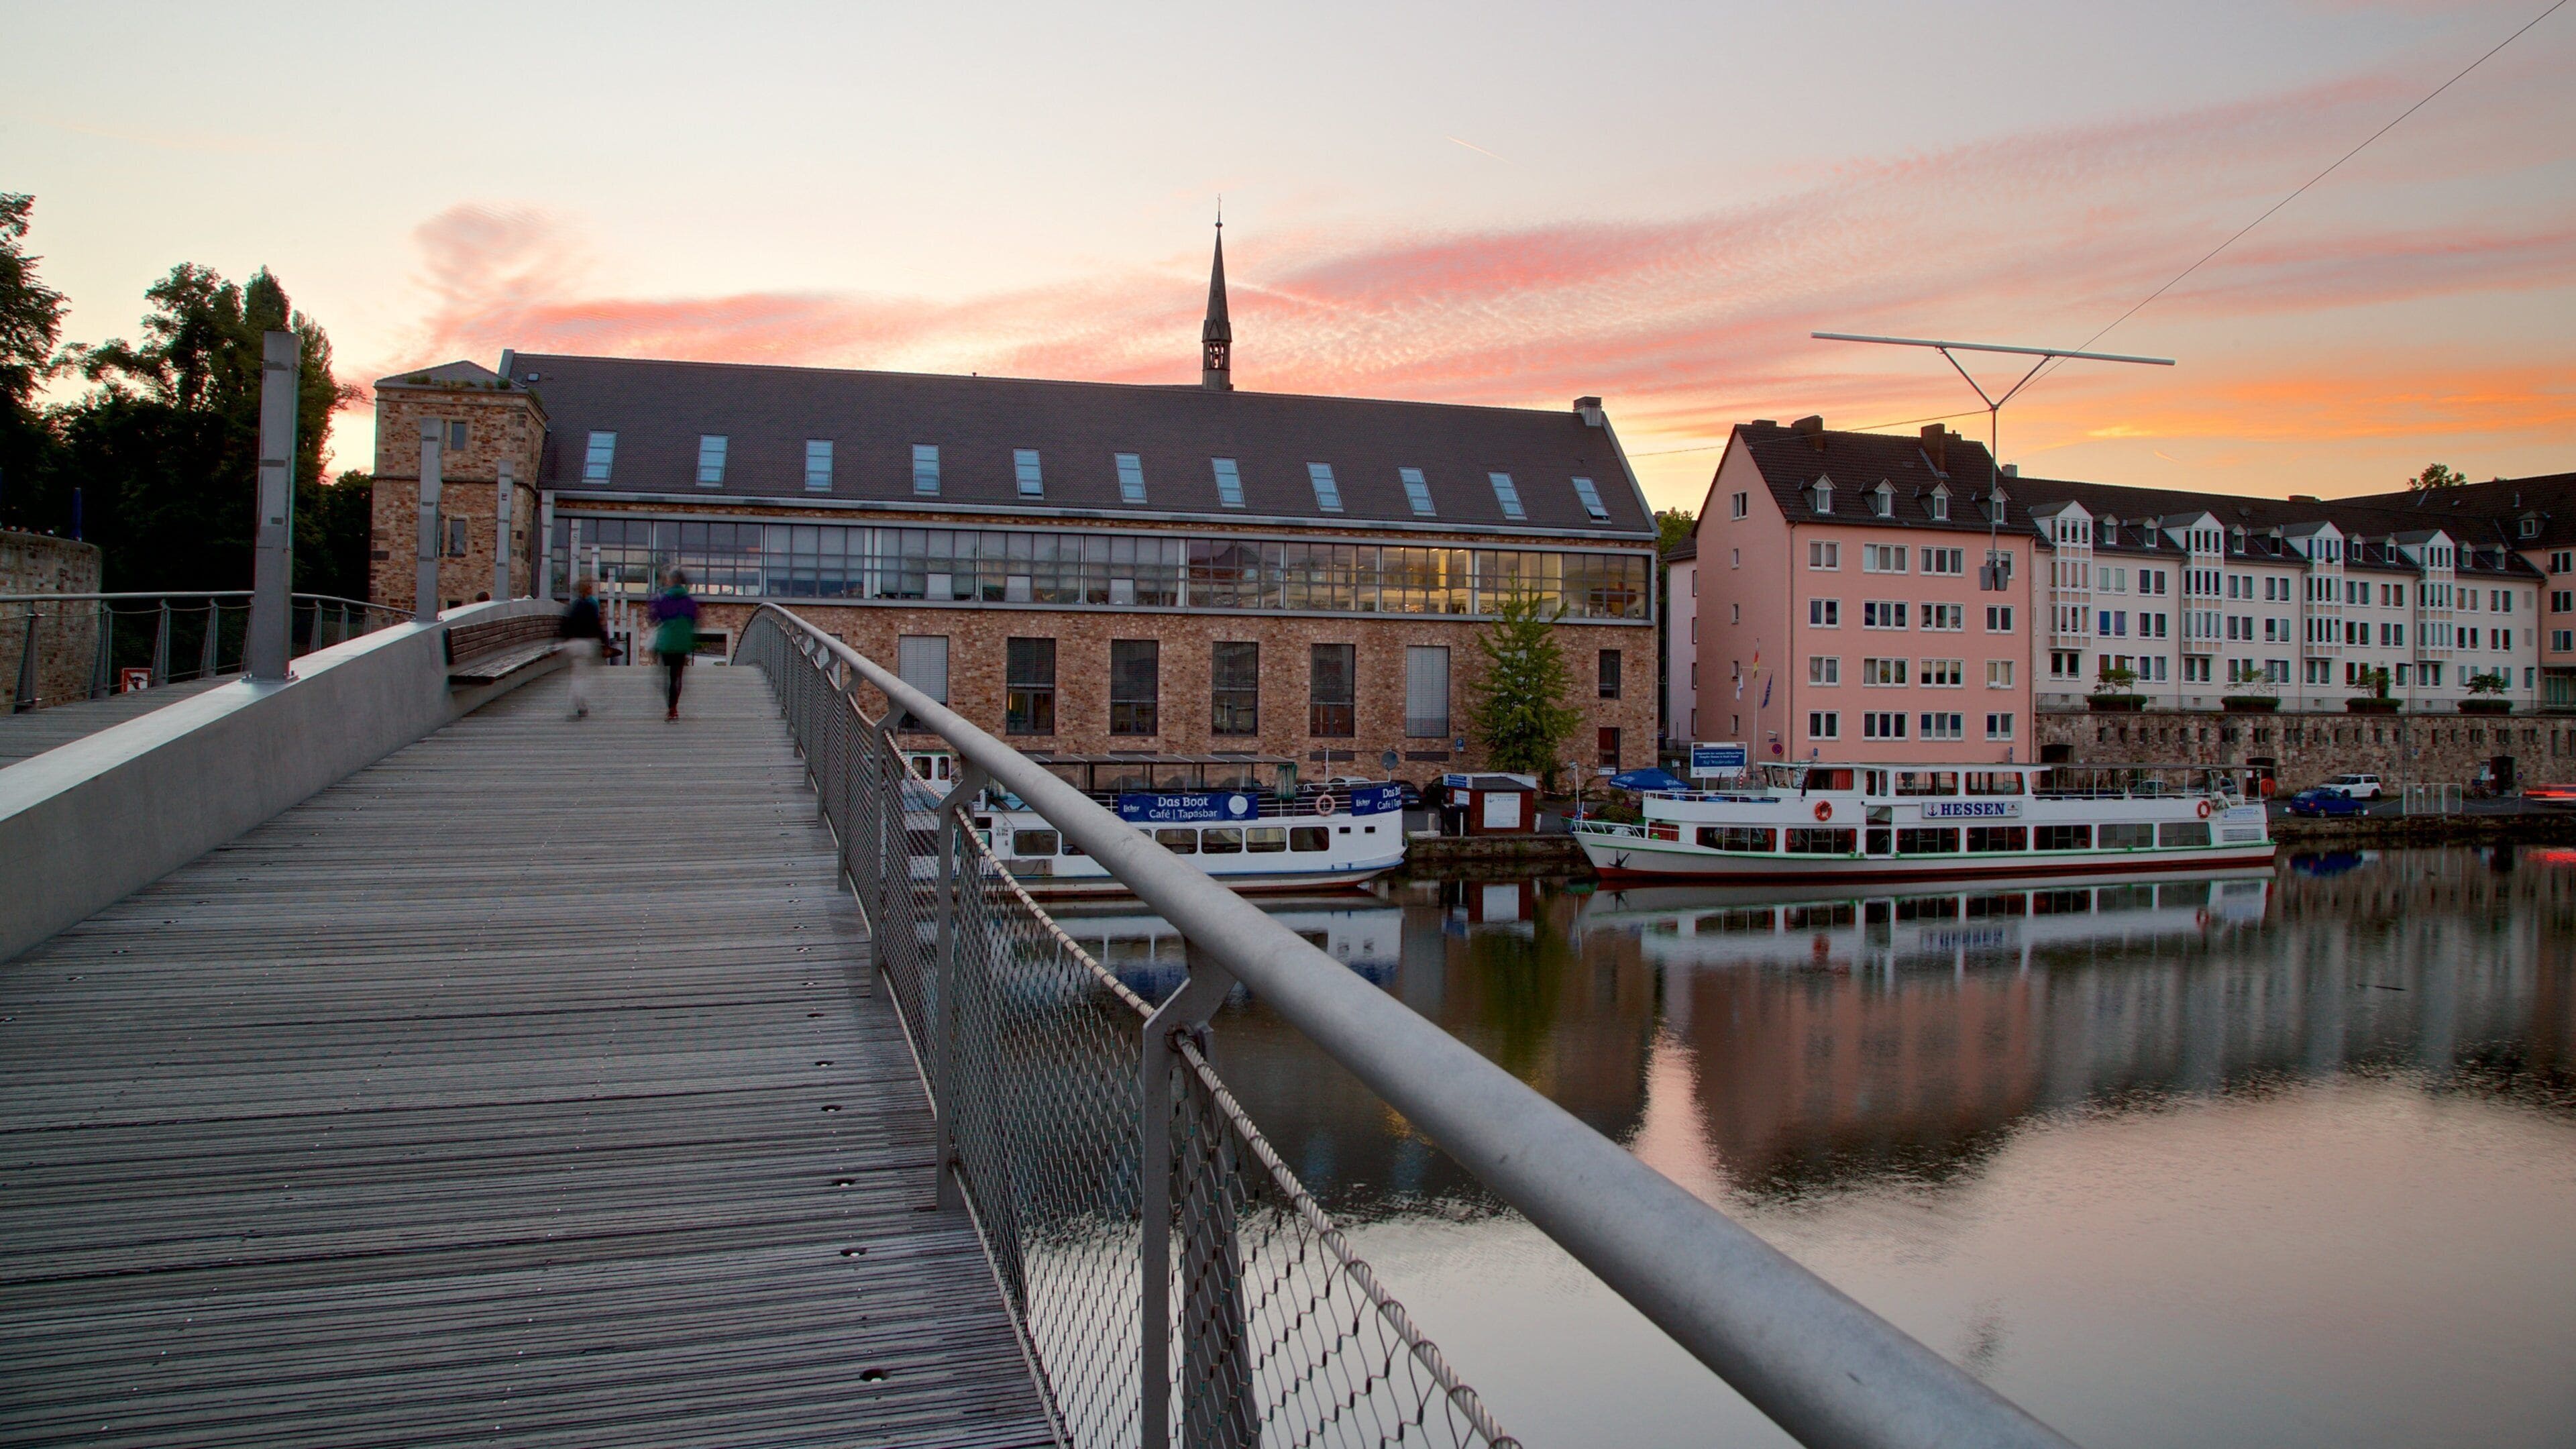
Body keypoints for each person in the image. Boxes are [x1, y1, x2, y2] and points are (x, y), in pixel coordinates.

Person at [647, 568, 699, 720]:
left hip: (666, 642)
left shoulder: (663, 599)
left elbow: (653, 618)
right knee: (677, 676)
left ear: (671, 581)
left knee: (666, 676)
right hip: (682, 642)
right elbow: (695, 621)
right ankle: (674, 708)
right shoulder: (689, 601)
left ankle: (669, 707)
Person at [558, 576, 606, 718]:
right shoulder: (591, 606)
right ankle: (579, 704)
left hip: (572, 644)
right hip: (585, 644)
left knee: (576, 675)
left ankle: (575, 703)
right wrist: (604, 642)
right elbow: (597, 626)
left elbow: (564, 626)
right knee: (582, 676)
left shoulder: (573, 606)